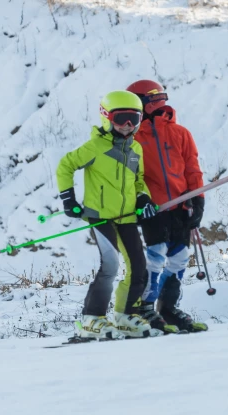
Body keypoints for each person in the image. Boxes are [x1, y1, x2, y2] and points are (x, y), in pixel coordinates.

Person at [56, 90, 161, 340]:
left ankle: (125, 315)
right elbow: (65, 166)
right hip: (100, 217)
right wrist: (68, 198)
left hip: (126, 216)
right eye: (121, 118)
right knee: (111, 266)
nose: (127, 125)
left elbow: (138, 181)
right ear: (106, 117)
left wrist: (144, 196)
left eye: (134, 119)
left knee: (139, 266)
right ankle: (92, 318)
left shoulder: (135, 148)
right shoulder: (95, 147)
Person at [126, 80, 208, 333]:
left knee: (180, 258)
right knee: (156, 256)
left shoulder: (181, 133)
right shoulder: (133, 138)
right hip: (153, 208)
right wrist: (140, 200)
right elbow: (129, 175)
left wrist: (198, 200)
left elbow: (192, 168)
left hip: (181, 206)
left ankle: (169, 308)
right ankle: (146, 308)